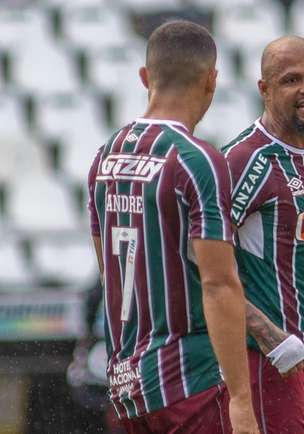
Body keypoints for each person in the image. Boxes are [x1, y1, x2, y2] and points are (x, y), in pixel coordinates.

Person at [86, 20, 258, 434]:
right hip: (186, 381)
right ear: (211, 80)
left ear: (145, 77)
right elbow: (219, 283)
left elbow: (108, 271)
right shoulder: (197, 161)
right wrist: (241, 399)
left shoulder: (104, 157)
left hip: (128, 384)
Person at [221, 35, 304, 434]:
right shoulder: (246, 160)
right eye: (291, 80)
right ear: (264, 90)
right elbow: (195, 254)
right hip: (265, 365)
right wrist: (267, 334)